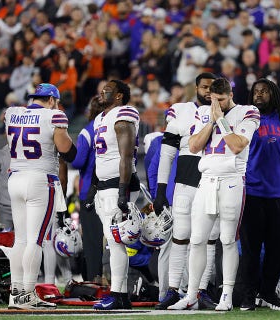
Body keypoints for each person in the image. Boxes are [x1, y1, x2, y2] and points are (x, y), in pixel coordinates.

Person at [169, 78, 260, 311]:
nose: (216, 104)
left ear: (230, 95)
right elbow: (194, 146)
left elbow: (237, 145)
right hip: (206, 181)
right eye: (213, 100)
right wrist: (211, 120)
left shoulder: (247, 111)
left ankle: (226, 295)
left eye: (220, 100)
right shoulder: (203, 112)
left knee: (228, 239)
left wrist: (221, 120)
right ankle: (191, 295)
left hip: (231, 181)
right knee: (197, 239)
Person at [5, 83, 76, 309]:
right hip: (39, 180)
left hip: (15, 178)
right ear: (53, 100)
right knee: (36, 240)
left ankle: (15, 293)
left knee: (21, 239)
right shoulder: (54, 116)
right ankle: (27, 294)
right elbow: (67, 150)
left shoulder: (13, 113)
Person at [153, 72, 219, 310]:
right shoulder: (180, 110)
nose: (208, 91)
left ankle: (200, 291)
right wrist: (161, 189)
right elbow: (167, 153)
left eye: (213, 87)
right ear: (196, 88)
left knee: (209, 240)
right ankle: (173, 290)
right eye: (204, 87)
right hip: (185, 181)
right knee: (180, 237)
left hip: (212, 181)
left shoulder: (226, 111)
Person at [237, 78, 280, 311]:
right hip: (252, 192)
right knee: (251, 250)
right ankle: (247, 296)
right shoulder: (243, 118)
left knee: (278, 248)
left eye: (264, 91)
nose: (259, 95)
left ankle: (268, 294)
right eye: (256, 91)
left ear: (273, 94)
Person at [91, 80, 141, 310]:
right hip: (104, 186)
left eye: (108, 89)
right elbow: (100, 157)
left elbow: (126, 155)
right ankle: (120, 294)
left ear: (120, 95)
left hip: (117, 186)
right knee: (113, 242)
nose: (103, 92)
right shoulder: (101, 118)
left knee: (116, 242)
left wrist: (122, 191)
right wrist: (94, 187)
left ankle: (119, 294)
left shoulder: (124, 113)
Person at [71, 98, 105, 282]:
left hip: (90, 190)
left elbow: (78, 161)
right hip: (112, 190)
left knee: (92, 240)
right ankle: (112, 279)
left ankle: (94, 279)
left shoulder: (88, 130)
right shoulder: (115, 127)